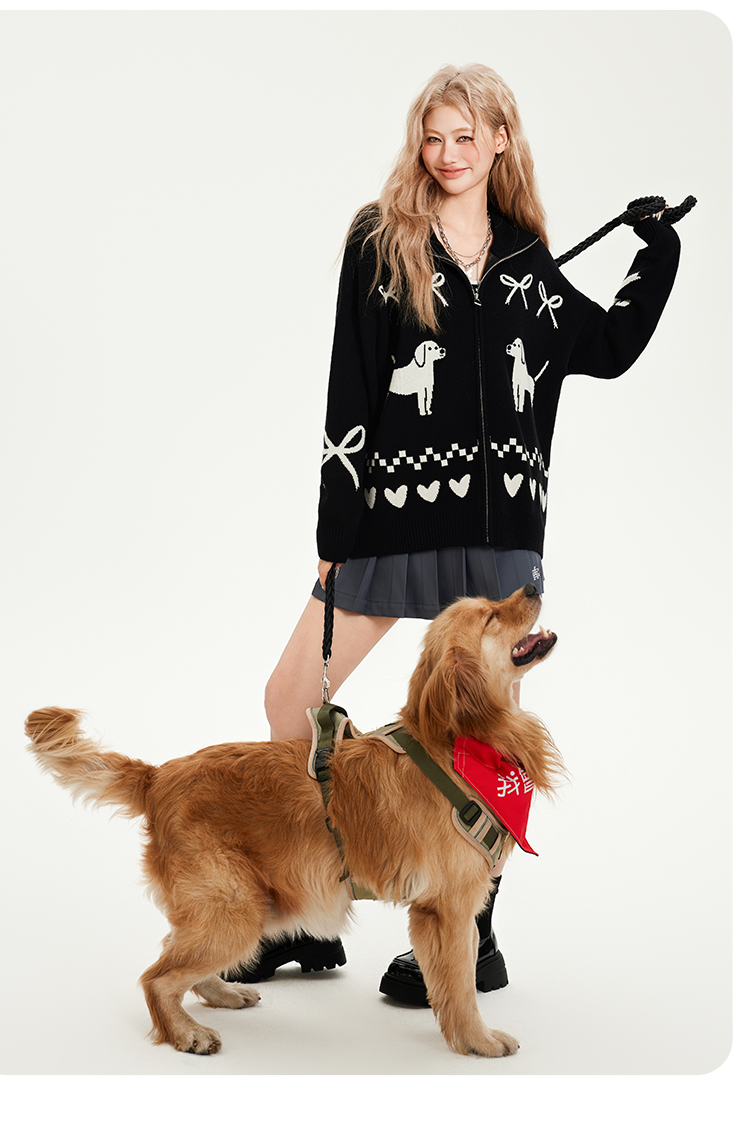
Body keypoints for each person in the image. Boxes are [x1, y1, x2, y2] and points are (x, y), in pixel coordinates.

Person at [244, 63, 681, 1003]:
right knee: (291, 699)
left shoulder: (526, 260)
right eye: (433, 138)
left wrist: (657, 253)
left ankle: (471, 933)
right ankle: (304, 913)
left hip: (500, 534)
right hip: (390, 519)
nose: (447, 155)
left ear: (499, 141)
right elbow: (351, 381)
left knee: (486, 742)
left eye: (465, 138)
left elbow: (606, 349)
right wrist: (335, 523)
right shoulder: (381, 240)